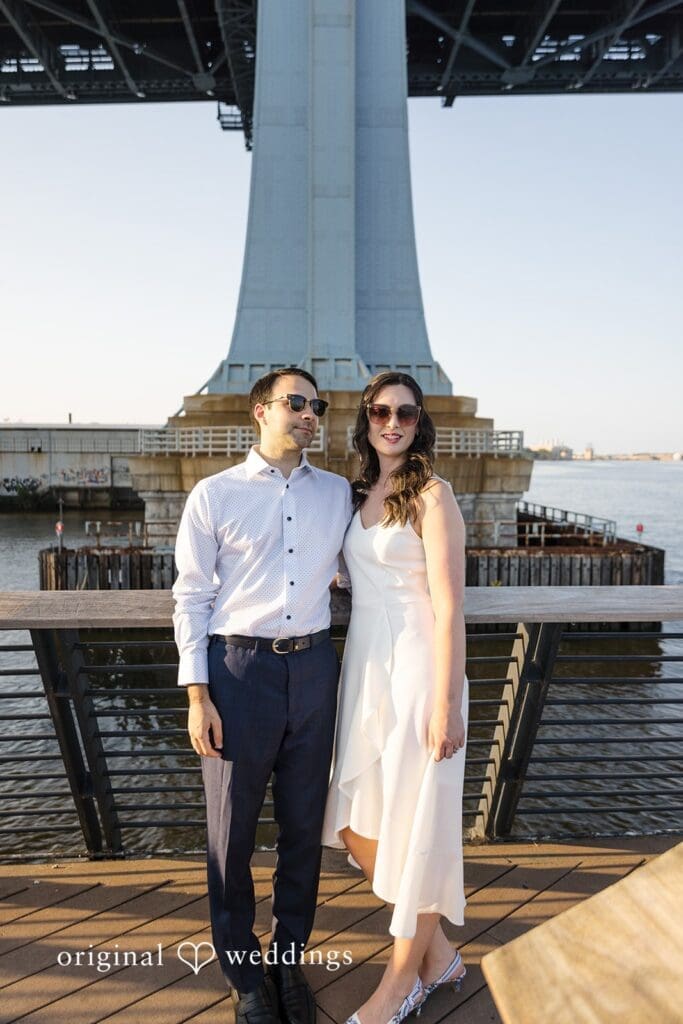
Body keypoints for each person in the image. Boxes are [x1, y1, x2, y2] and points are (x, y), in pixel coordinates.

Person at [172, 367, 352, 1024]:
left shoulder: (337, 494)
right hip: (237, 672)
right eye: (295, 403)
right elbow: (190, 597)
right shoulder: (213, 495)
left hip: (313, 671)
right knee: (232, 835)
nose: (309, 414)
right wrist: (198, 693)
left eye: (317, 406)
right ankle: (245, 977)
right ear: (260, 411)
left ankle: (288, 960)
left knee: (304, 831)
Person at [322, 371, 469, 1024]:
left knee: (420, 830)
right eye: (380, 412)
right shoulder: (356, 494)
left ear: (418, 423)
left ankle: (399, 985)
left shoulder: (432, 497)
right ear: (366, 419)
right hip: (364, 669)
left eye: (405, 414)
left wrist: (445, 704)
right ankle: (437, 954)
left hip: (417, 672)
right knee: (353, 825)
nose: (392, 422)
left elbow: (450, 608)